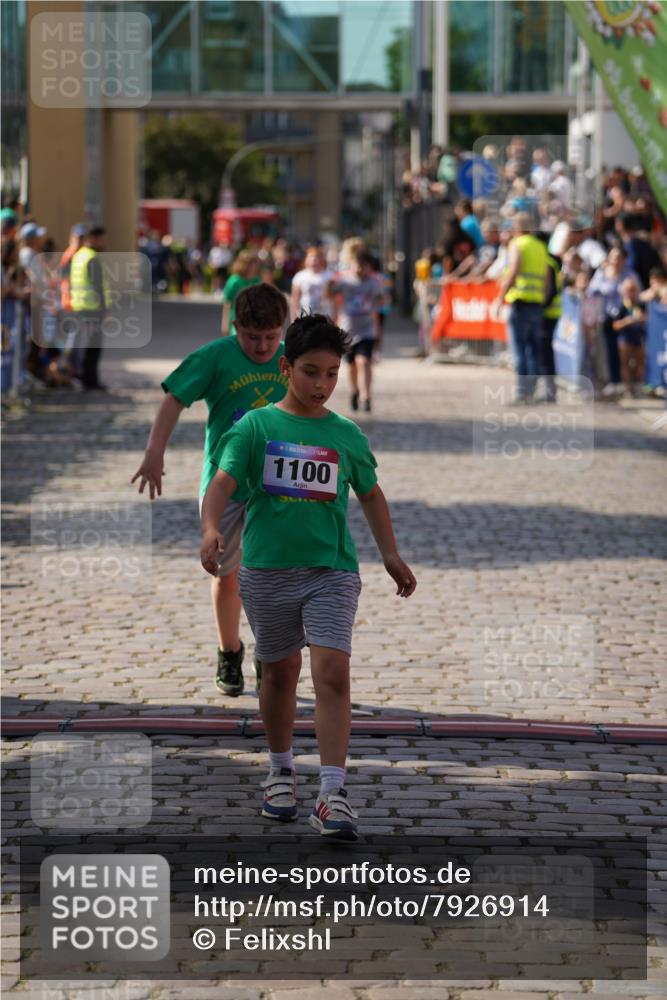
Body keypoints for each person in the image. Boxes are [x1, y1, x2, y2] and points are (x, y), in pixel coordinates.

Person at [200, 314, 416, 840]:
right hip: (267, 571)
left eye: (332, 374)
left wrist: (389, 553)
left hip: (332, 571)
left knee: (333, 673)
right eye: (311, 372)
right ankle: (279, 771)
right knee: (279, 674)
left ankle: (332, 791)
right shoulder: (255, 428)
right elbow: (222, 483)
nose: (322, 385)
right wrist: (210, 529)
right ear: (286, 368)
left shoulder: (345, 434)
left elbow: (371, 494)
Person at [132, 283, 289, 695]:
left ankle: (270, 653)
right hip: (226, 485)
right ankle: (229, 650)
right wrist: (154, 452)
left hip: (278, 486)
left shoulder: (291, 357)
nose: (261, 346)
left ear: (283, 329)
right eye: (252, 337)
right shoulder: (215, 357)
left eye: (270, 337)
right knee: (228, 574)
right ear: (234, 325)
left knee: (276, 575)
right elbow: (174, 399)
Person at [498, 213, 549, 403]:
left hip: (520, 303)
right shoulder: (540, 246)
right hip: (536, 303)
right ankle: (532, 391)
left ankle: (522, 393)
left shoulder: (517, 244)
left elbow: (513, 271)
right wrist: (542, 299)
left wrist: (500, 298)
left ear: (516, 228)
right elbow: (546, 277)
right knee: (533, 349)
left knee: (519, 349)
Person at [331, 248, 384, 413]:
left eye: (364, 266)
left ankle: (366, 395)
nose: (360, 269)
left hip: (367, 329)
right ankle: (354, 391)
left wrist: (381, 300)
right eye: (357, 265)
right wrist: (329, 284)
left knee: (364, 361)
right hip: (348, 329)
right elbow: (329, 294)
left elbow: (381, 301)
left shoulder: (373, 283)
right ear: (351, 265)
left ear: (369, 267)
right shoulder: (345, 281)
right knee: (352, 365)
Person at [69, 224, 109, 390]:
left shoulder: (79, 255)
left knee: (86, 344)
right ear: (92, 239)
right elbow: (97, 286)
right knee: (93, 346)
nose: (104, 243)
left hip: (79, 306)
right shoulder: (92, 257)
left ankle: (85, 378)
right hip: (92, 308)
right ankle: (91, 381)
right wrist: (104, 309)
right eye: (102, 239)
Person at [610, 277, 647, 398]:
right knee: (625, 363)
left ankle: (637, 386)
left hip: (638, 338)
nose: (631, 293)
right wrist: (627, 321)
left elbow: (647, 319)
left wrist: (642, 319)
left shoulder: (640, 305)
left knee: (639, 364)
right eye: (629, 290)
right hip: (625, 339)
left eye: (633, 290)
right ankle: (627, 388)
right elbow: (615, 325)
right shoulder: (621, 306)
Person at [221, 251, 261, 335]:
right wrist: (225, 324)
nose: (253, 267)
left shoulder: (257, 280)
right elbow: (227, 303)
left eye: (254, 264)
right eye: (250, 264)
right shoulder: (234, 281)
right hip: (237, 321)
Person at [290, 246, 334, 319]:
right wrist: (293, 317)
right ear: (306, 259)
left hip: (324, 317)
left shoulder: (330, 276)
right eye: (311, 257)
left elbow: (334, 299)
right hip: (305, 317)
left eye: (317, 257)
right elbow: (295, 299)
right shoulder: (299, 276)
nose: (314, 260)